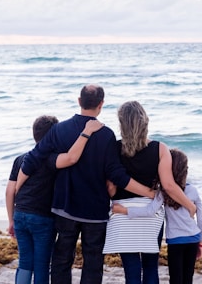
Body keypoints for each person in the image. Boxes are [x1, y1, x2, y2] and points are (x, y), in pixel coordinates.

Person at [15, 85, 155, 284]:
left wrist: (18, 189)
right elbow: (117, 175)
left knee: (62, 259)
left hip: (64, 207)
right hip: (95, 211)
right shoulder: (106, 135)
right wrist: (149, 193)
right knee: (93, 262)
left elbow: (33, 159)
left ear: (79, 101)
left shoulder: (59, 129)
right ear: (101, 104)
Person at [103, 101, 197, 284]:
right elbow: (169, 185)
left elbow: (110, 188)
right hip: (151, 214)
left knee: (131, 269)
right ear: (145, 122)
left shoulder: (113, 148)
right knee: (150, 266)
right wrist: (190, 205)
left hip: (123, 214)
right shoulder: (160, 148)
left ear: (122, 124)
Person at [6, 115, 103, 284]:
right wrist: (87, 132)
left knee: (25, 263)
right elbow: (72, 157)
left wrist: (11, 220)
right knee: (42, 264)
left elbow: (9, 191)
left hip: (20, 214)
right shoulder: (51, 159)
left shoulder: (21, 158)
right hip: (43, 218)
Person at [113, 148, 202, 284]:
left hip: (175, 241)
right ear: (185, 169)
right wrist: (201, 242)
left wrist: (125, 211)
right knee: (188, 277)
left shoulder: (163, 192)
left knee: (175, 278)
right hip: (193, 239)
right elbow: (201, 219)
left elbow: (149, 211)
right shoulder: (193, 190)